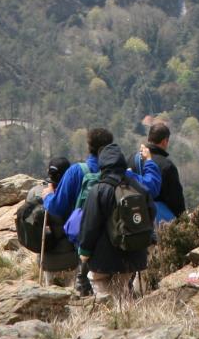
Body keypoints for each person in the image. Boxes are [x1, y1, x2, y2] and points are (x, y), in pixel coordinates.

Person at [45, 128, 160, 295]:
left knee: (96, 292)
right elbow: (152, 188)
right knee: (122, 292)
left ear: (89, 146)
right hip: (128, 247)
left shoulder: (77, 172)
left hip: (93, 250)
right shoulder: (129, 179)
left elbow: (57, 207)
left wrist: (48, 196)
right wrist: (149, 161)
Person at [75, 142, 155, 299]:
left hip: (102, 259)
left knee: (98, 283)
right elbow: (151, 213)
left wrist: (84, 251)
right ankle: (125, 316)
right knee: (123, 288)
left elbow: (89, 225)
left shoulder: (98, 190)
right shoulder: (138, 187)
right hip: (132, 255)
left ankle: (112, 316)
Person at [137, 120, 184, 225]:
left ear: (149, 139)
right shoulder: (167, 166)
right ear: (164, 141)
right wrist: (183, 221)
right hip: (158, 223)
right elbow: (176, 199)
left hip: (135, 221)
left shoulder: (132, 159)